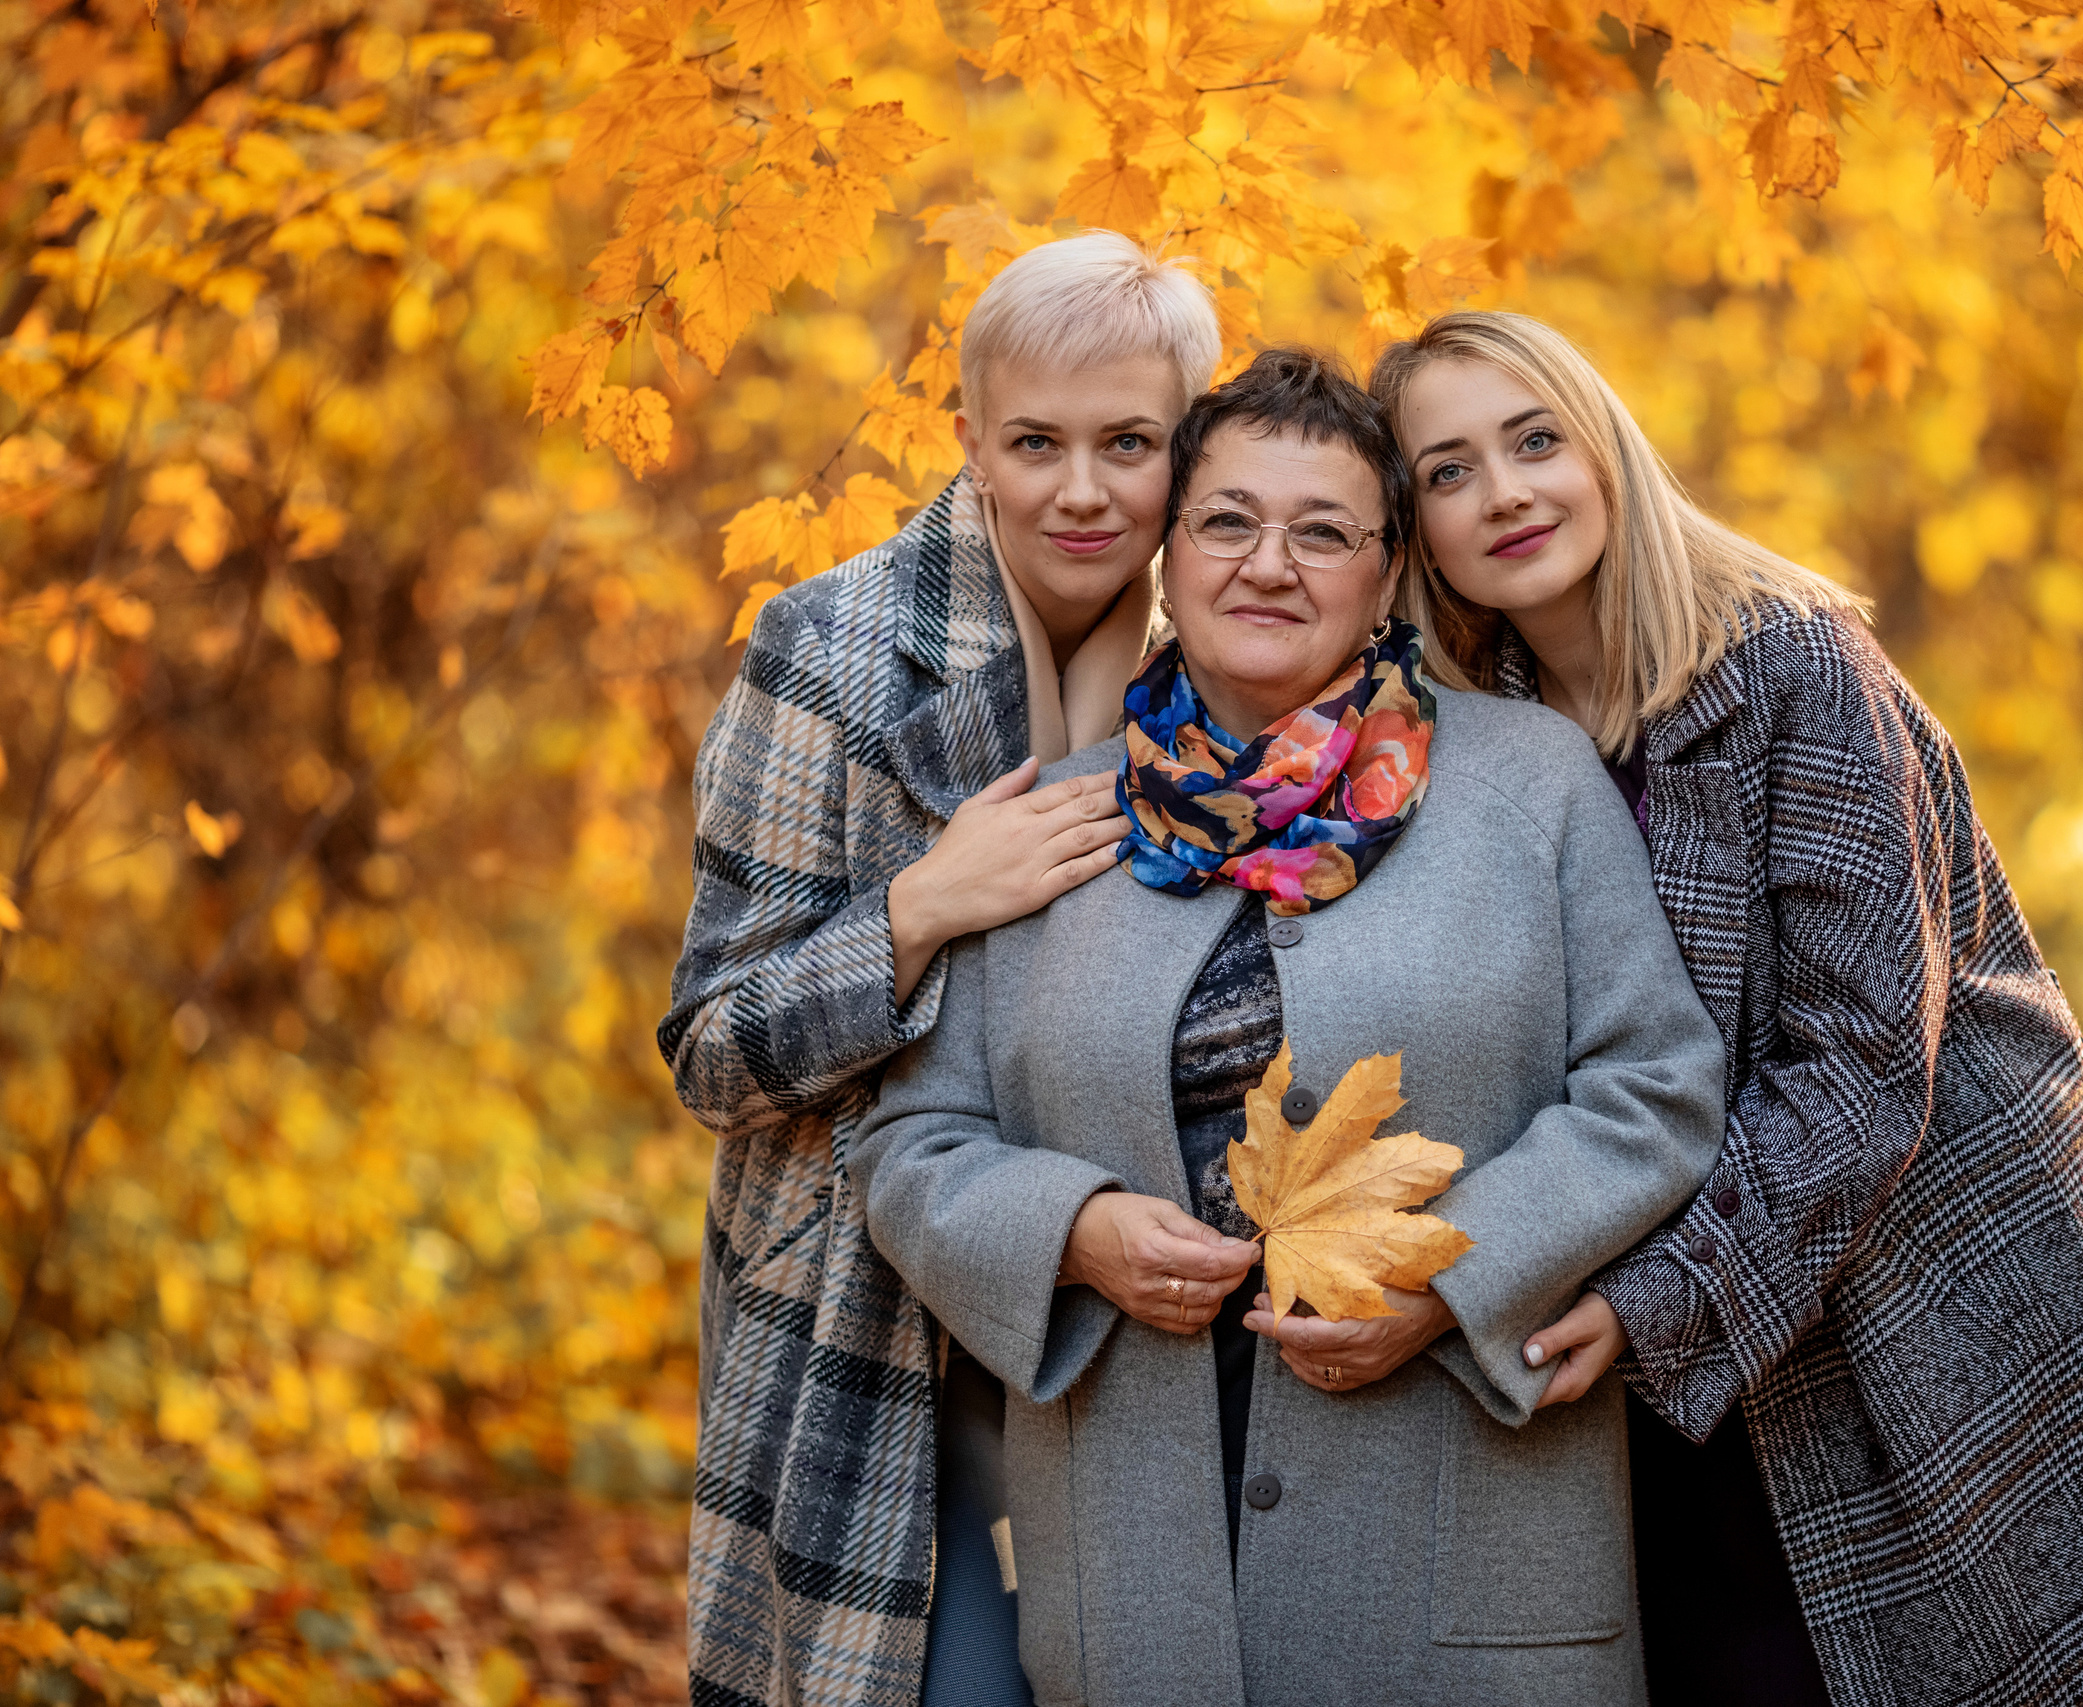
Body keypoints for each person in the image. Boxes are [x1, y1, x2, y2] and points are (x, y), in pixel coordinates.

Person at [1370, 311, 2083, 1707]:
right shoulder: (1475, 728)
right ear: (1416, 529)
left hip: (1927, 1293)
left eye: (1535, 439)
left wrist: (1659, 1298)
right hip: (1677, 1312)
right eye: (1451, 471)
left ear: (1605, 445)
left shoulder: (1794, 668)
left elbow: (1861, 1072)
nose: (1508, 492)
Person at [847, 348, 1728, 1707]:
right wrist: (1072, 1233)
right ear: (1167, 553)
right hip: (1136, 1552)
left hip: (1472, 1544)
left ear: (1387, 574)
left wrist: (1447, 1280)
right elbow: (913, 1145)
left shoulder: (1531, 783)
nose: (1272, 565)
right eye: (1230, 522)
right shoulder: (1049, 822)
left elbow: (1656, 1089)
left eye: (1324, 532)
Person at [658, 231, 1221, 1707]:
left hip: (1146, 1335)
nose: (1083, 490)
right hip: (876, 1338)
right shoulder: (836, 653)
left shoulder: (1228, 661)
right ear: (969, 438)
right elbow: (714, 1056)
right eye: (1035, 442)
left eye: (1131, 444)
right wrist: (916, 909)